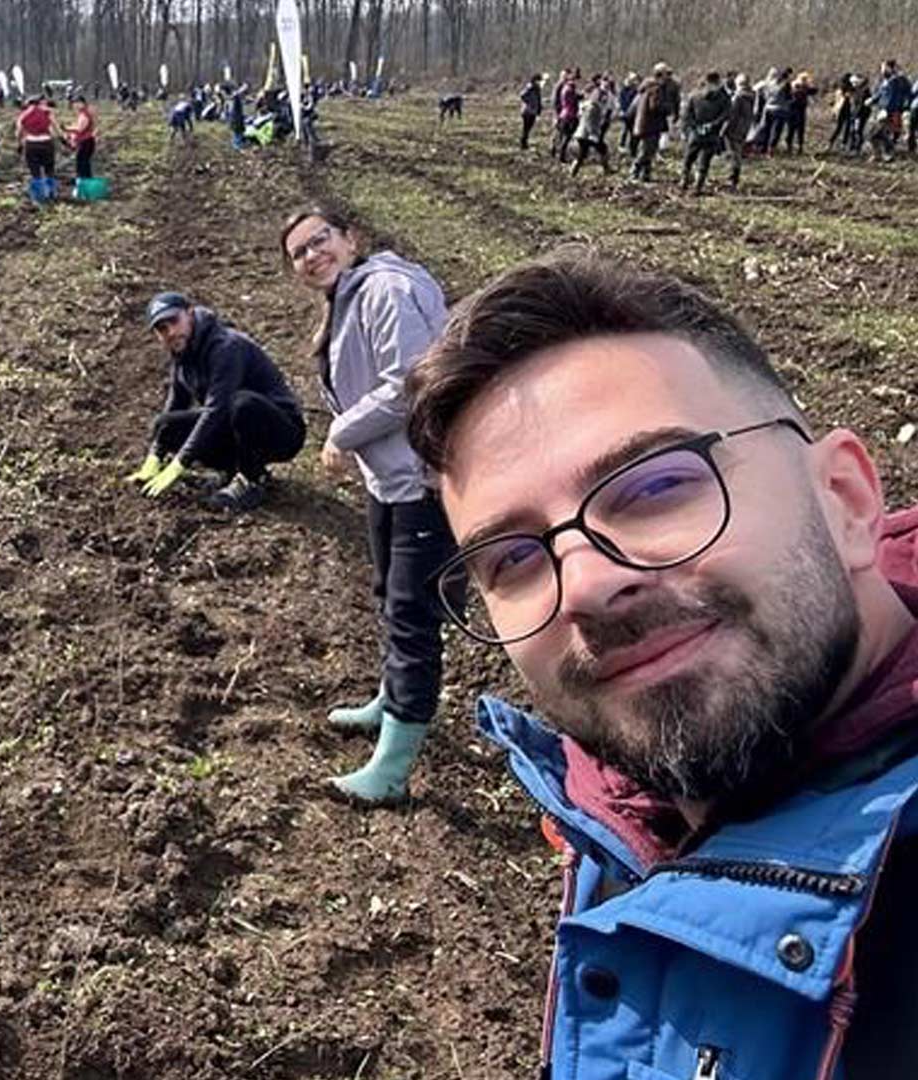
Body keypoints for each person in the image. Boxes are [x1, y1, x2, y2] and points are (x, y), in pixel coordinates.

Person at [404, 247, 918, 1080]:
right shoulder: (619, 805)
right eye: (513, 558)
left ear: (848, 501)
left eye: (654, 488)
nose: (590, 585)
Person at [281, 206, 456, 804]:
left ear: (350, 239)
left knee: (413, 617)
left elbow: (410, 383)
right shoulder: (348, 298)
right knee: (389, 593)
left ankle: (393, 769)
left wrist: (341, 432)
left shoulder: (385, 288)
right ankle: (390, 700)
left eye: (319, 240)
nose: (311, 255)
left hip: (424, 480)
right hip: (389, 479)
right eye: (299, 252)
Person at [127, 292, 305, 513]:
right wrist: (155, 457)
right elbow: (176, 405)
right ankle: (233, 470)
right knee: (165, 424)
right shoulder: (182, 356)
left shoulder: (225, 346)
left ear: (190, 314)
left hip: (281, 430)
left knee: (241, 404)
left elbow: (216, 409)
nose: (170, 332)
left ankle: (252, 479)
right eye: (162, 329)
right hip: (234, 424)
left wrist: (178, 464)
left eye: (174, 321)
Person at [680, 71, 732, 195]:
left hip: (695, 133)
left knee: (688, 158)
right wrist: (712, 125)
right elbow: (726, 115)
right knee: (704, 161)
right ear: (718, 81)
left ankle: (684, 180)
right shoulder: (724, 98)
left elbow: (686, 115)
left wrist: (694, 127)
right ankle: (698, 186)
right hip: (712, 134)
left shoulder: (694, 95)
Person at [631, 64, 676, 182]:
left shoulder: (649, 87)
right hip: (650, 124)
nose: (669, 77)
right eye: (667, 74)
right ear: (661, 75)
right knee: (646, 151)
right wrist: (668, 108)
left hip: (646, 124)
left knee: (649, 150)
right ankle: (634, 172)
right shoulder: (656, 88)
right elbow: (655, 106)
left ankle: (645, 175)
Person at [569, 75, 614, 176]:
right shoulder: (593, 107)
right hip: (586, 134)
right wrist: (593, 134)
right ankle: (573, 172)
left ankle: (606, 169)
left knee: (598, 150)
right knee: (584, 154)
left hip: (587, 134)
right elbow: (590, 121)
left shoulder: (594, 106)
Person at [725, 73, 757, 190]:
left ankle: (733, 179)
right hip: (745, 128)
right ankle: (734, 178)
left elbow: (732, 116)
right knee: (737, 152)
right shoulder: (752, 95)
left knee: (735, 154)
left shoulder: (738, 97)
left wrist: (724, 130)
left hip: (734, 129)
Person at [16, 95, 57, 184]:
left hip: (31, 143)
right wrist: (63, 140)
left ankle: (39, 194)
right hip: (47, 142)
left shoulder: (23, 115)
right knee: (49, 169)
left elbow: (19, 132)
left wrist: (19, 144)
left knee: (35, 170)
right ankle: (51, 192)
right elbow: (54, 129)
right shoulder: (47, 112)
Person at [552, 68, 583, 163]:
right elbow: (571, 101)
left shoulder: (565, 88)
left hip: (564, 114)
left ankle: (559, 152)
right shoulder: (567, 89)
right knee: (565, 136)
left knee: (563, 136)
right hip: (568, 115)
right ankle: (561, 155)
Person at [64, 95, 98, 181]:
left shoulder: (84, 114)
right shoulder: (83, 113)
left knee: (82, 162)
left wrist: (67, 129)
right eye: (74, 104)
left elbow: (80, 129)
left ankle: (83, 180)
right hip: (86, 140)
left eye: (77, 103)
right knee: (83, 162)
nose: (75, 106)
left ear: (82, 103)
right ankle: (84, 180)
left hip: (86, 141)